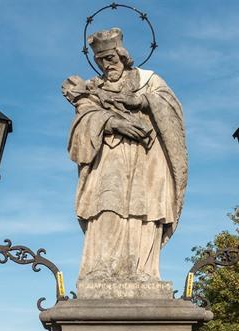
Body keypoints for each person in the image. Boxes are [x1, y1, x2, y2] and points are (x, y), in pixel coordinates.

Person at [62, 27, 187, 283]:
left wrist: (141, 102)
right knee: (107, 205)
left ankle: (142, 270)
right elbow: (84, 118)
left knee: (146, 210)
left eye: (111, 59)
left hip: (148, 159)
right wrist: (111, 122)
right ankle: (101, 267)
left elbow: (172, 110)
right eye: (101, 61)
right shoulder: (93, 88)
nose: (107, 66)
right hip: (111, 157)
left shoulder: (148, 81)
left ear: (123, 55)